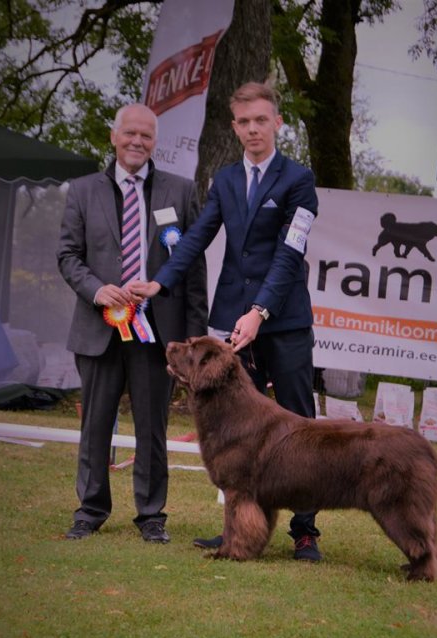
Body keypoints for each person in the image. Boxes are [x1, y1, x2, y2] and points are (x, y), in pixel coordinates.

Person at [130, 82, 322, 561]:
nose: (253, 129)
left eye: (261, 119)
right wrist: (159, 282)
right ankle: (240, 529)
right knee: (239, 431)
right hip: (233, 320)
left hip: (283, 319)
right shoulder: (226, 179)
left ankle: (304, 532)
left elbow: (289, 255)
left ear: (277, 122)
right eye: (244, 122)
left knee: (300, 425)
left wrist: (260, 312)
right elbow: (196, 238)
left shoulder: (299, 179)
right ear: (234, 127)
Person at [57, 103, 208, 543]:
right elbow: (68, 256)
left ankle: (151, 515)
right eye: (130, 134)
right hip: (98, 328)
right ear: (114, 137)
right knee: (95, 426)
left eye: (146, 135)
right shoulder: (83, 191)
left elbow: (192, 265)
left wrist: (193, 337)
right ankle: (90, 509)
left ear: (154, 142)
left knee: (152, 428)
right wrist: (96, 289)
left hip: (156, 333)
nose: (138, 141)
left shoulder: (180, 192)